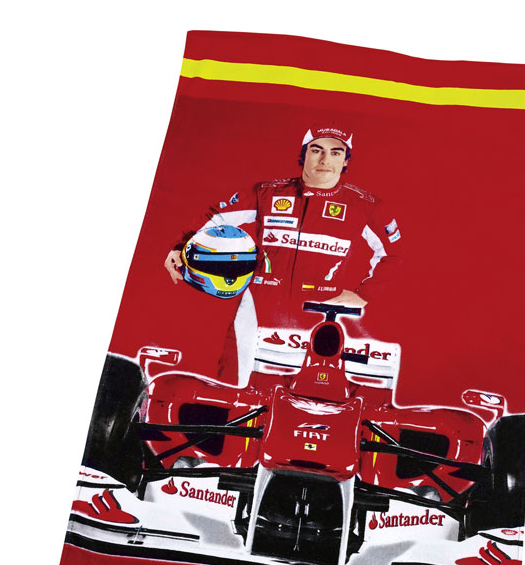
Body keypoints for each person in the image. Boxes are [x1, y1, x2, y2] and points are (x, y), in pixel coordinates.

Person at [164, 126, 402, 383]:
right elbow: (216, 217)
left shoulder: (365, 205)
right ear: (304, 154)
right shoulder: (267, 193)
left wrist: (365, 294)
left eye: (335, 153)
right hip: (259, 306)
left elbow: (394, 253)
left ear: (345, 160)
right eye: (317, 150)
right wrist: (180, 246)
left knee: (308, 392)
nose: (325, 160)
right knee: (236, 386)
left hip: (320, 313)